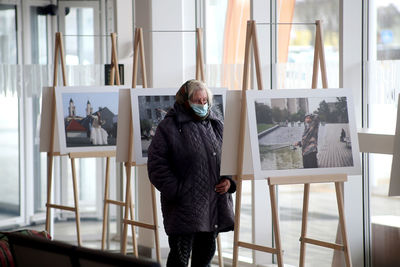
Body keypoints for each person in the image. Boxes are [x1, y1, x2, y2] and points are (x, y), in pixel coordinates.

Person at [147, 79, 236, 267]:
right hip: (184, 207)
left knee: (204, 259)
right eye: (197, 101)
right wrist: (179, 191)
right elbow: (156, 166)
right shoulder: (169, 127)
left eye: (205, 101)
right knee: (179, 260)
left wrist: (229, 180)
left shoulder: (216, 124)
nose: (202, 105)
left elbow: (230, 158)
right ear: (185, 101)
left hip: (212, 204)